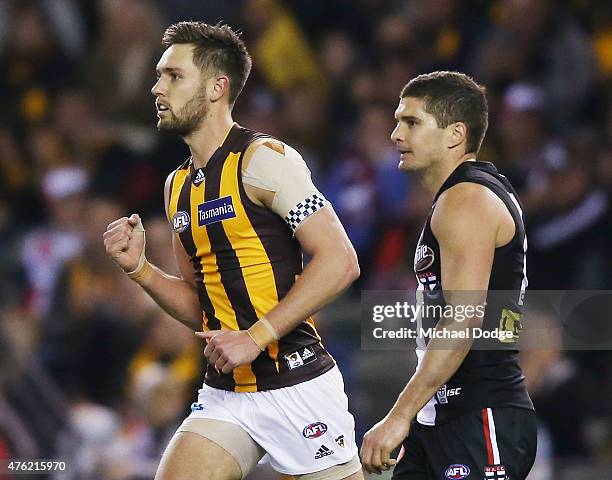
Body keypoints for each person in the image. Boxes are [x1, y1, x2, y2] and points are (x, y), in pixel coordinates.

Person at [103, 22, 364, 480]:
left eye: (173, 76)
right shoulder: (177, 186)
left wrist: (256, 336)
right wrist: (141, 270)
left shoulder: (264, 160)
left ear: (217, 87)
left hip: (295, 382)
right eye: (159, 76)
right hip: (226, 392)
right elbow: (201, 308)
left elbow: (341, 261)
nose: (157, 87)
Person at [360, 71, 536, 479]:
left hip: (480, 416)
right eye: (397, 121)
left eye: (412, 122)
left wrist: (397, 416)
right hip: (443, 419)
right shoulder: (466, 194)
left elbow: (463, 319)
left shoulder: (466, 199)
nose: (395, 135)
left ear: (455, 134)